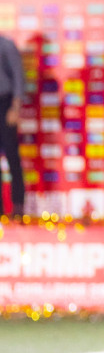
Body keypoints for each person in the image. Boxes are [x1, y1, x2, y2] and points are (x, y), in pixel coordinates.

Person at [0, 30, 23, 215]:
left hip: (5, 103)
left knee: (12, 155)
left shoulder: (6, 45)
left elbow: (18, 76)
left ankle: (18, 205)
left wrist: (15, 108)